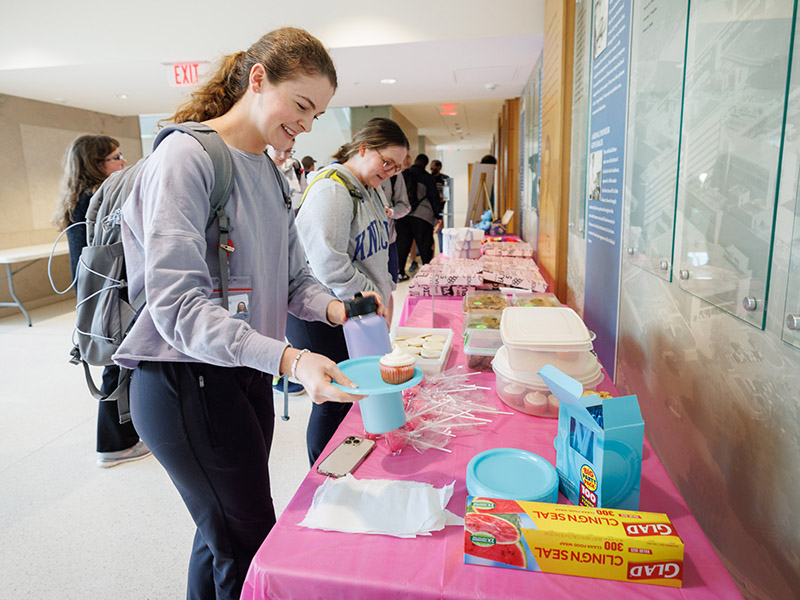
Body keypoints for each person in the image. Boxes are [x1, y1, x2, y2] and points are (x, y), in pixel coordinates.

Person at [113, 27, 377, 600]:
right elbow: (178, 306)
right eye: (302, 105)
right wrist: (291, 357)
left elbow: (291, 280)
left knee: (222, 535)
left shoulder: (272, 173)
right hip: (183, 382)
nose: (308, 124)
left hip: (245, 374)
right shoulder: (186, 159)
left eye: (318, 113)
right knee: (250, 541)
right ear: (258, 80)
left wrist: (339, 309)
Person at [288, 116, 409, 465]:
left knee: (354, 390)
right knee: (333, 397)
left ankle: (346, 462)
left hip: (357, 308)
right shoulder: (332, 190)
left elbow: (375, 251)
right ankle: (324, 473)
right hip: (322, 311)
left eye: (396, 167)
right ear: (363, 148)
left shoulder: (369, 188)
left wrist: (381, 295)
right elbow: (329, 264)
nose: (389, 171)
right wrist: (370, 297)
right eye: (385, 161)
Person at [51, 135, 151, 468]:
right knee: (118, 365)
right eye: (115, 157)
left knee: (116, 362)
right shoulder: (99, 199)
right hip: (108, 290)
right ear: (96, 165)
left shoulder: (78, 199)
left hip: (93, 291)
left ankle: (126, 434)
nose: (123, 163)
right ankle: (114, 444)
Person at [396, 154, 441, 281]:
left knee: (402, 245)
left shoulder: (403, 175)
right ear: (426, 164)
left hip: (403, 215)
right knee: (425, 245)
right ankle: (428, 274)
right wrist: (438, 214)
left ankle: (400, 272)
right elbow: (434, 197)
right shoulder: (427, 177)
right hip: (422, 215)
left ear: (415, 161)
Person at [379, 154, 412, 283]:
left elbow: (404, 205)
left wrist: (391, 212)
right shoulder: (356, 178)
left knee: (389, 285)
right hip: (362, 247)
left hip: (388, 241)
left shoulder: (395, 176)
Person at [269, 139, 306, 210]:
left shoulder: (296, 166)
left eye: (288, 151)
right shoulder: (259, 168)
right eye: (278, 150)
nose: (283, 156)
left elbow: (303, 193)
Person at [430, 159, 449, 249]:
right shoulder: (429, 178)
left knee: (441, 232)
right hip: (430, 209)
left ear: (439, 167)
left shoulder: (444, 178)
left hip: (441, 209)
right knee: (428, 232)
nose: (431, 168)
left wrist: (443, 197)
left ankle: (442, 250)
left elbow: (448, 193)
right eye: (431, 166)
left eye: (434, 166)